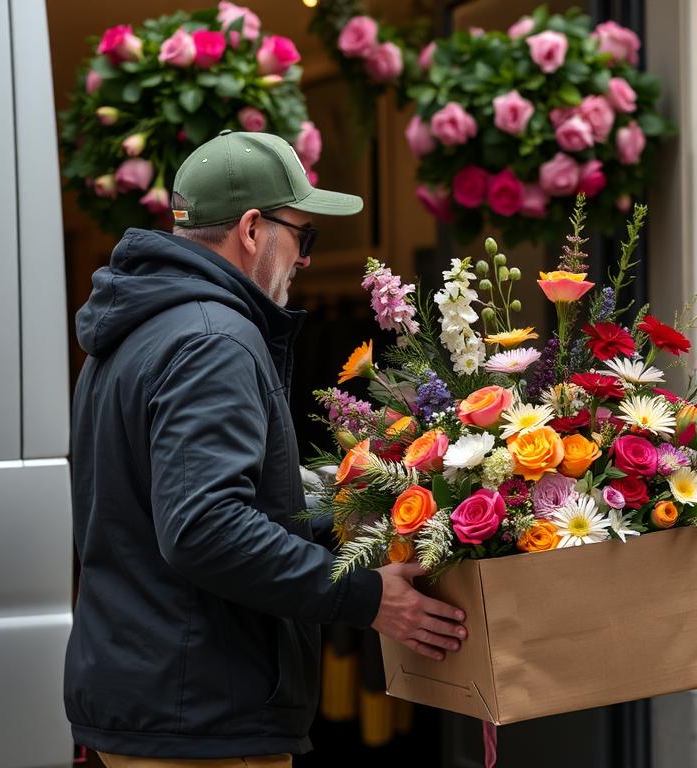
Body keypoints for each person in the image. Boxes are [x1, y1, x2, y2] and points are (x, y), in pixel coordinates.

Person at [64, 130, 467, 768]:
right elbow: (204, 526)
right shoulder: (211, 339)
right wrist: (366, 596)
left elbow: (160, 511)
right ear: (252, 229)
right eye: (303, 236)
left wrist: (349, 511)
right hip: (202, 718)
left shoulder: (137, 328)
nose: (306, 259)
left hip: (155, 701)